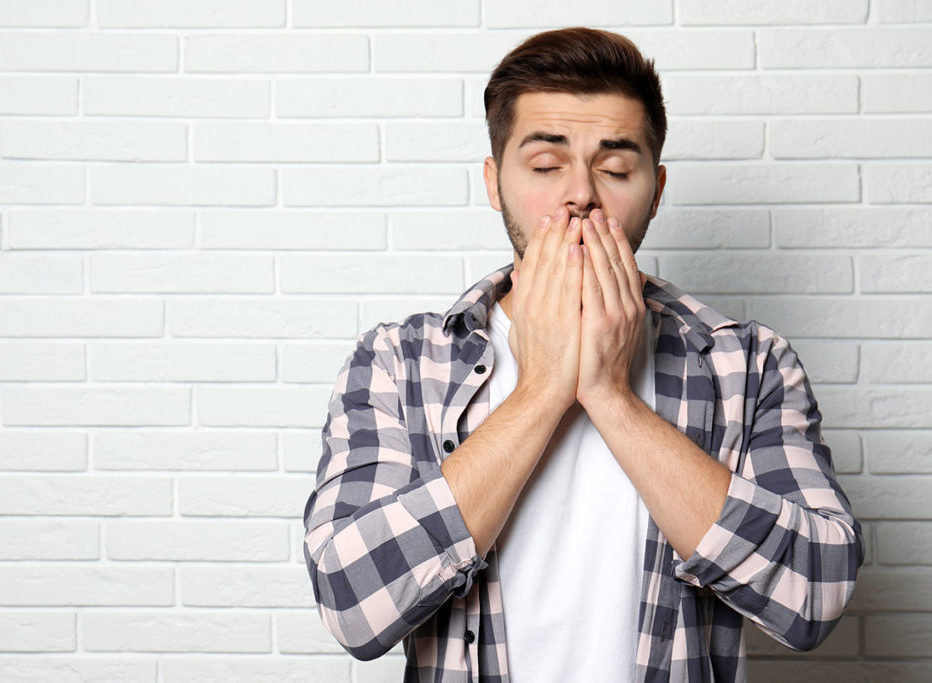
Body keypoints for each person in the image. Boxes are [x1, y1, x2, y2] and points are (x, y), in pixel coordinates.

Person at [303, 27, 864, 682]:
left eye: (616, 169)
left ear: (655, 190)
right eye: (545, 166)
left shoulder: (747, 364)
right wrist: (541, 390)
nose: (581, 194)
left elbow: (816, 596)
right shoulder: (397, 363)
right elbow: (351, 605)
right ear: (494, 182)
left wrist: (612, 397)